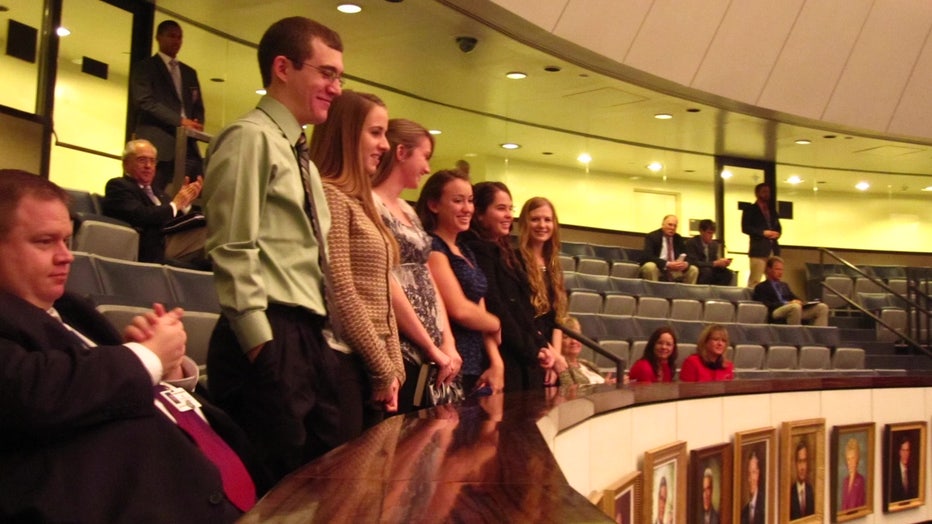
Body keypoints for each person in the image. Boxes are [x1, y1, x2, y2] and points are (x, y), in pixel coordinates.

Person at [0, 169, 258, 521]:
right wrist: (143, 358)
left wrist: (164, 368)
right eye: (45, 242)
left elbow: (101, 390)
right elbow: (30, 392)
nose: (66, 256)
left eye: (67, 240)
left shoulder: (72, 308)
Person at [202, 17, 345, 485]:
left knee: (317, 476)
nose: (336, 88)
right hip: (270, 332)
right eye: (326, 73)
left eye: (339, 76)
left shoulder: (295, 151)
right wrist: (261, 345)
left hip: (305, 335)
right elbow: (232, 245)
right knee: (273, 486)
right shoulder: (251, 137)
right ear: (283, 67)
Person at [308, 91, 405, 431]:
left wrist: (394, 367)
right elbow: (342, 291)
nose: (385, 146)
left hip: (371, 367)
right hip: (343, 365)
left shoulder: (360, 202)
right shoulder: (330, 195)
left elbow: (382, 296)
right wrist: (384, 368)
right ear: (347, 136)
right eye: (375, 133)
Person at [371, 119, 462, 411]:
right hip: (404, 346)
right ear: (401, 153)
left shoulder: (408, 210)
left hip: (434, 350)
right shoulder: (371, 205)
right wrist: (429, 345)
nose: (427, 168)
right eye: (425, 157)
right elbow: (387, 281)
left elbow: (426, 275)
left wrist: (447, 341)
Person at [463, 181, 558, 391]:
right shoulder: (477, 251)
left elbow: (523, 309)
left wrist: (541, 345)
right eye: (500, 208)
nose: (508, 215)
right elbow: (497, 307)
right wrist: (532, 349)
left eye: (510, 209)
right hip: (504, 354)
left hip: (522, 354)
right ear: (479, 214)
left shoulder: (502, 253)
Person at [417, 169, 504, 394]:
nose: (467, 209)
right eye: (458, 201)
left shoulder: (465, 250)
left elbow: (479, 307)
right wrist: (496, 323)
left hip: (475, 363)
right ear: (434, 205)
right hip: (448, 363)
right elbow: (460, 310)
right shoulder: (432, 247)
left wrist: (496, 362)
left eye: (470, 201)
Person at [102, 138, 207, 266]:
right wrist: (175, 204)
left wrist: (185, 203)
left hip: (173, 241)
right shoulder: (118, 186)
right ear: (126, 164)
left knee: (212, 228)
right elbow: (141, 215)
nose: (148, 166)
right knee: (210, 233)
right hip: (151, 244)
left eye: (152, 161)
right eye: (142, 160)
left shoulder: (159, 193)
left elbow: (175, 218)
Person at [130, 20, 205, 193]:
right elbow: (145, 102)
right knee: (152, 193)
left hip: (187, 145)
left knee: (192, 193)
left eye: (179, 37)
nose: (176, 41)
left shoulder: (189, 73)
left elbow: (197, 105)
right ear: (158, 37)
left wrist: (197, 123)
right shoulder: (145, 67)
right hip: (159, 142)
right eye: (171, 36)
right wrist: (180, 121)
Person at [517, 196, 568, 353]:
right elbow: (523, 317)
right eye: (535, 219)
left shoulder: (554, 264)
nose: (542, 225)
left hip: (551, 352)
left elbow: (557, 320)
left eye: (547, 220)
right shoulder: (515, 260)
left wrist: (557, 355)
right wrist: (548, 352)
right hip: (529, 347)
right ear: (525, 223)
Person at [753, 256, 829, 326]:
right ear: (769, 270)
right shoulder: (761, 287)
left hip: (792, 309)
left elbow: (793, 297)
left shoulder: (784, 285)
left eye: (782, 269)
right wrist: (787, 303)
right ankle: (795, 336)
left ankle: (819, 337)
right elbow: (766, 304)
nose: (780, 272)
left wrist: (803, 302)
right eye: (777, 269)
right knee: (795, 307)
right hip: (775, 311)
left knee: (822, 307)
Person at [639, 214, 699, 284]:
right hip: (659, 267)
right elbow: (647, 256)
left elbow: (688, 256)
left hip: (675, 269)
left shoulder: (678, 238)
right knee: (650, 266)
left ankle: (687, 294)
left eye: (675, 226)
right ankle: (653, 294)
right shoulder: (652, 236)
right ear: (663, 225)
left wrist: (685, 264)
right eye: (670, 225)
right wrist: (667, 264)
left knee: (693, 269)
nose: (672, 228)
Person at [742, 183, 782, 286]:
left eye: (768, 192)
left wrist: (777, 234)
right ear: (757, 193)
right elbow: (745, 228)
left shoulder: (772, 210)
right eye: (764, 192)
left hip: (773, 248)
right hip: (758, 249)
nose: (767, 194)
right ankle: (752, 301)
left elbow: (778, 226)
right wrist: (763, 233)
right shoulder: (750, 209)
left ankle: (773, 300)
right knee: (755, 280)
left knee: (774, 279)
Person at [557, 317, 609, 386]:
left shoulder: (588, 364)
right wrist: (604, 386)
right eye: (566, 337)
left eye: (577, 336)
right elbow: (570, 392)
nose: (574, 341)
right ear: (557, 341)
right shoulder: (561, 368)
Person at [686, 219, 733, 286]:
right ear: (701, 231)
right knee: (707, 272)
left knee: (728, 273)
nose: (711, 236)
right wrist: (713, 264)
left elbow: (714, 261)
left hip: (711, 268)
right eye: (709, 233)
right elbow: (693, 261)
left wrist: (722, 263)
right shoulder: (692, 242)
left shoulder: (714, 245)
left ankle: (720, 294)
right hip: (700, 269)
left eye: (712, 233)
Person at [790, 439, 815, 519]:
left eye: (804, 461)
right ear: (795, 464)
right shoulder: (790, 492)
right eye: (800, 461)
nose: (802, 467)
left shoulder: (810, 490)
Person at [890, 435, 918, 501]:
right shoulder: (893, 472)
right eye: (903, 450)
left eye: (907, 450)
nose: (905, 454)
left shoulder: (912, 472)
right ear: (899, 452)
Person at [841, 437, 866, 510]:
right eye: (848, 459)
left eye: (853, 458)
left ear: (857, 459)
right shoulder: (845, 481)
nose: (850, 463)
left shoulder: (861, 480)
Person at [741, 450, 765, 524]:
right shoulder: (744, 513)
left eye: (754, 472)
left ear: (758, 474)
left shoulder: (765, 505)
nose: (751, 478)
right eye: (749, 473)